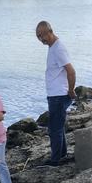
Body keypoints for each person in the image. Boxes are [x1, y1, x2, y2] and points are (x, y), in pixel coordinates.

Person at [36, 21, 76, 166]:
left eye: (42, 35)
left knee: (54, 129)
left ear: (50, 31)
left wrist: (71, 90)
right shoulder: (53, 47)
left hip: (59, 95)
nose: (41, 39)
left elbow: (71, 71)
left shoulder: (58, 49)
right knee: (57, 126)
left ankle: (56, 159)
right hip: (55, 95)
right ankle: (62, 154)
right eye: (38, 36)